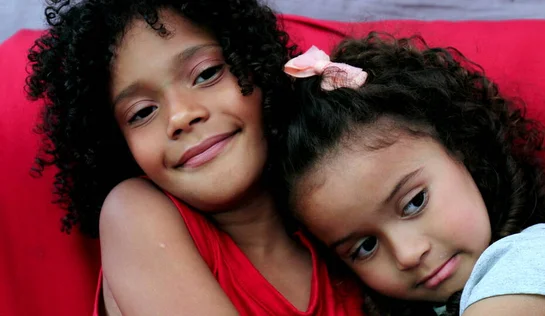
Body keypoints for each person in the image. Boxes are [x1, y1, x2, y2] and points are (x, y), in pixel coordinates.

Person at [26, 0, 363, 315]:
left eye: (206, 74)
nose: (180, 116)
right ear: (117, 144)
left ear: (256, 65)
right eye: (142, 112)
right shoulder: (134, 215)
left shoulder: (351, 240)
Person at [278, 34, 545, 315]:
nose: (407, 254)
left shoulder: (540, 257)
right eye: (365, 246)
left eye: (415, 202)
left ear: (462, 148)